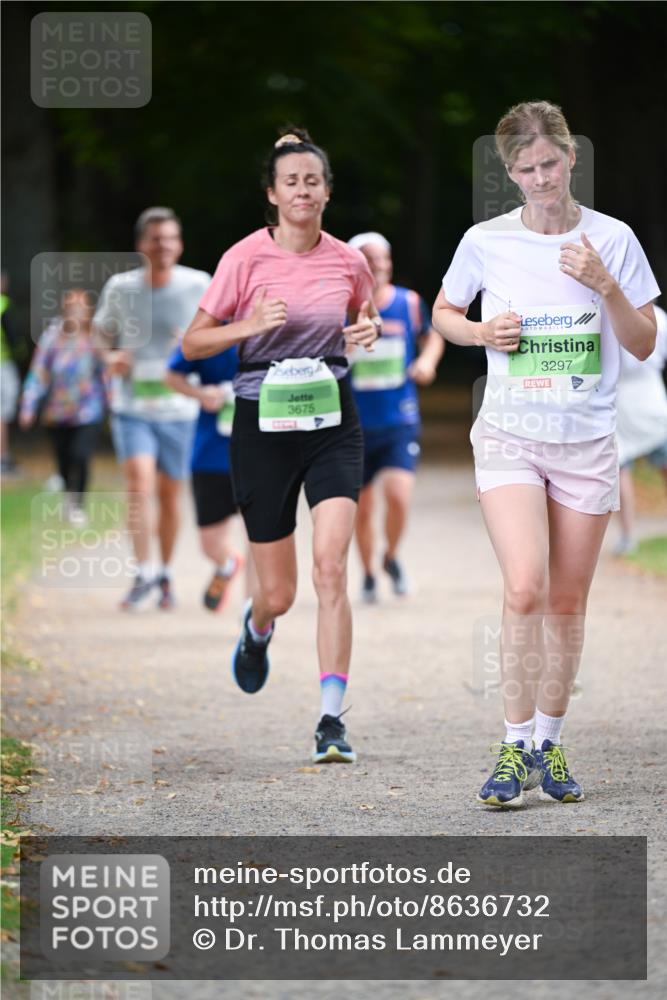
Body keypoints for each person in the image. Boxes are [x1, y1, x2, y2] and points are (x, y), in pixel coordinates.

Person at [432, 100, 660, 807]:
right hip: (509, 435)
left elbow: (644, 342)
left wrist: (605, 285)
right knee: (524, 586)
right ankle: (511, 745)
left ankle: (549, 744)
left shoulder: (612, 240)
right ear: (508, 172)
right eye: (525, 169)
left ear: (571, 159)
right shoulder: (485, 241)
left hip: (585, 443)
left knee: (565, 601)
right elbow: (444, 313)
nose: (539, 179)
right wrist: (479, 334)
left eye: (550, 165)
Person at [182, 127, 380, 763]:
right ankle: (257, 627)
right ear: (273, 193)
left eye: (313, 180)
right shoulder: (243, 259)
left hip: (331, 425)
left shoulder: (349, 259)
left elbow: (361, 316)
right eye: (290, 181)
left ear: (326, 191)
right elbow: (193, 344)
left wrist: (366, 330)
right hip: (262, 428)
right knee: (280, 595)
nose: (303, 190)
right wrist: (249, 325)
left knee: (330, 566)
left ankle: (330, 720)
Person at [93, 207, 209, 611]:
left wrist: (195, 343)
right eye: (156, 239)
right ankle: (142, 571)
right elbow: (101, 334)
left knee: (170, 493)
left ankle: (165, 573)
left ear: (179, 244)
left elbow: (218, 337)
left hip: (180, 408)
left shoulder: (199, 284)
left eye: (171, 238)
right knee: (138, 483)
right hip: (133, 405)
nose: (163, 246)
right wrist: (110, 359)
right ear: (141, 244)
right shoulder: (120, 288)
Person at [347, 232, 444, 602]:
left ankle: (390, 557)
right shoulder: (344, 306)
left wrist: (426, 362)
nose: (379, 267)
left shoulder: (409, 303)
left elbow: (431, 337)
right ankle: (369, 573)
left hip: (399, 420)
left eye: (383, 260)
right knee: (364, 507)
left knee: (399, 497)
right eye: (370, 261)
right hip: (355, 426)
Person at [164, 342, 247, 611]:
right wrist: (200, 394)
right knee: (210, 544)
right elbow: (171, 376)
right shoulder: (209, 329)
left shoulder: (273, 324)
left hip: (259, 453)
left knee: (262, 539)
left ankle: (255, 614)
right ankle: (227, 564)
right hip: (211, 452)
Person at [19, 289, 107, 523]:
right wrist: (28, 405)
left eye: (80, 308)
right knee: (64, 460)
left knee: (81, 455)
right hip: (57, 412)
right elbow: (39, 372)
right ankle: (69, 497)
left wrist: (115, 401)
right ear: (64, 310)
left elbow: (107, 372)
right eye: (71, 308)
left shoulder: (94, 336)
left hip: (88, 410)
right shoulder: (52, 336)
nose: (75, 313)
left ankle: (78, 505)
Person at [613, 302, 667, 554]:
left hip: (622, 396)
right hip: (648, 395)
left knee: (621, 467)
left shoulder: (609, 313)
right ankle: (627, 537)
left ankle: (628, 536)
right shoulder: (660, 317)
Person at [1, 272, 22, 475]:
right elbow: (15, 338)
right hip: (3, 364)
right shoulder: (4, 304)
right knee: (3, 413)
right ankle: (3, 457)